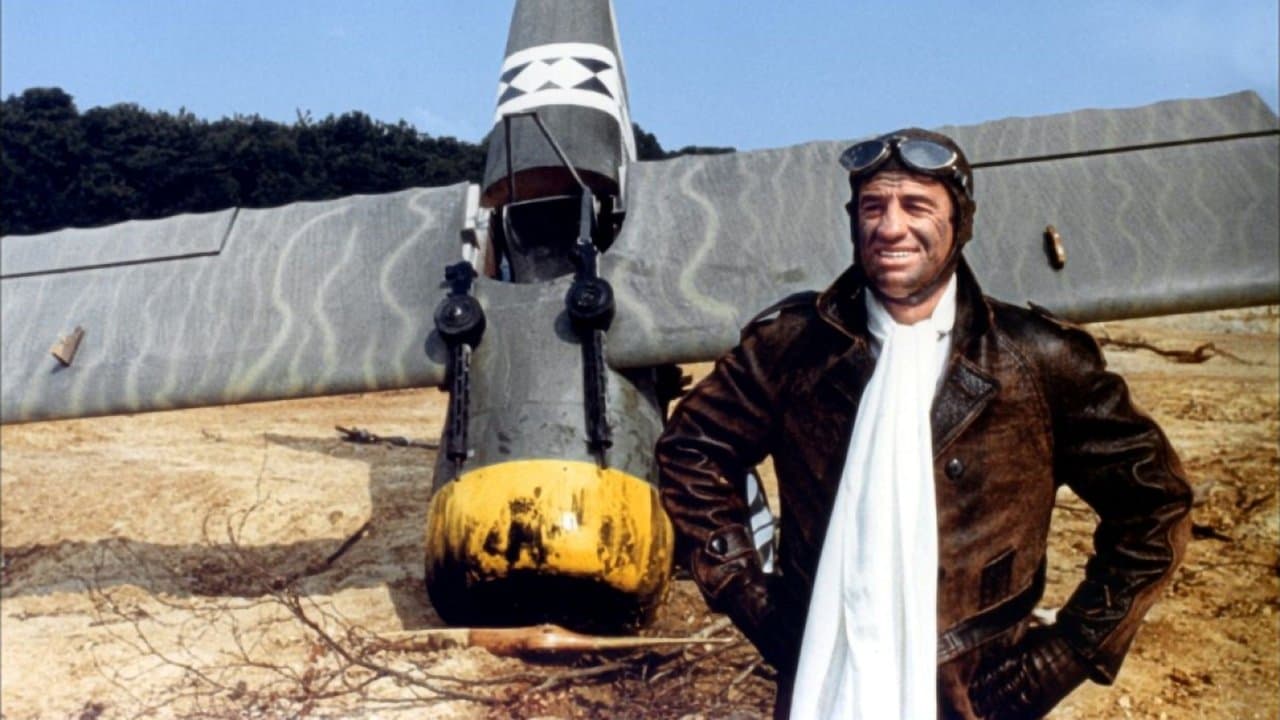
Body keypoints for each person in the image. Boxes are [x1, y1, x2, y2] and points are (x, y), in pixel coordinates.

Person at [655, 128, 1191, 719]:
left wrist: (1064, 654)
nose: (890, 227)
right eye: (873, 207)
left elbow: (1154, 503)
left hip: (975, 693)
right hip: (822, 683)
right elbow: (692, 448)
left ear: (961, 222)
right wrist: (748, 594)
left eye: (917, 206)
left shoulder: (1035, 359)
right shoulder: (796, 346)